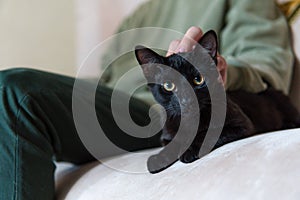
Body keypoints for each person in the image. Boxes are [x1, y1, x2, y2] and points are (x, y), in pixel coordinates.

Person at [0, 0, 294, 199]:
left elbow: (269, 64)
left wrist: (221, 72)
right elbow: (105, 80)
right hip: (120, 101)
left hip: (161, 110)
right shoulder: (139, 16)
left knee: (14, 92)